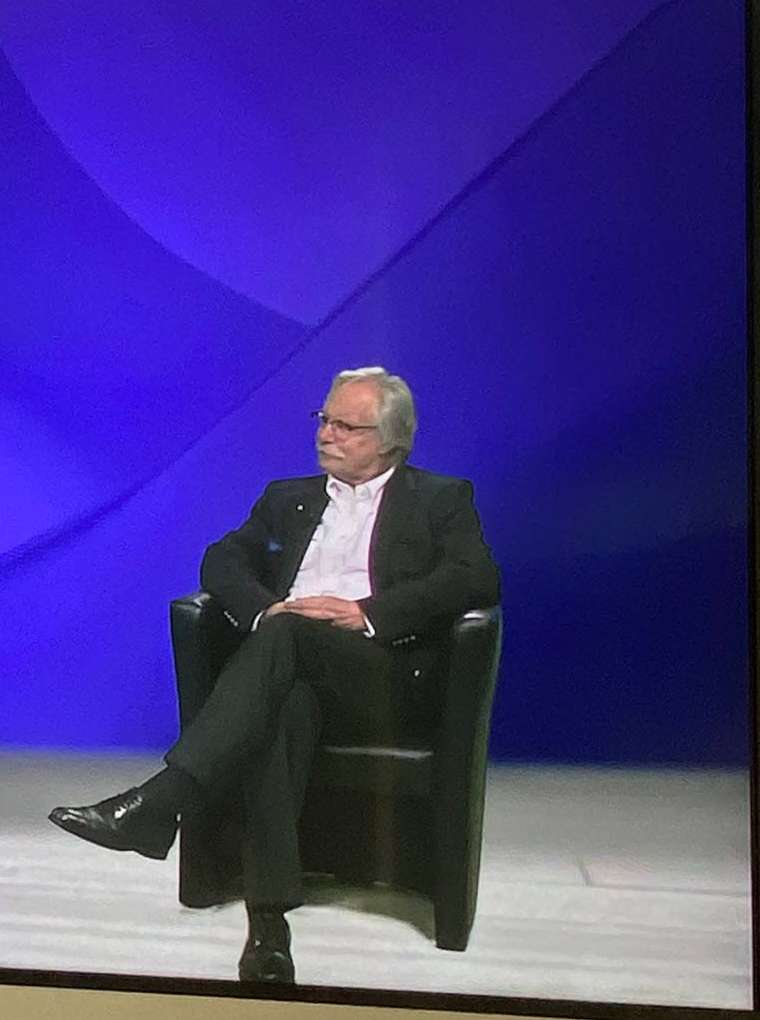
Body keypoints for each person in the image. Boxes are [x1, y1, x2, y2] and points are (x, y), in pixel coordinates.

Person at [47, 367, 500, 984]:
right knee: (281, 706)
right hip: (290, 667)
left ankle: (163, 801)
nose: (326, 434)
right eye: (324, 420)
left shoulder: (440, 499)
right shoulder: (288, 498)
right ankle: (268, 932)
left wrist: (367, 612)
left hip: (381, 677)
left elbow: (476, 578)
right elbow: (222, 558)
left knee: (285, 643)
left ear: (389, 442)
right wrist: (266, 610)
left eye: (346, 426)